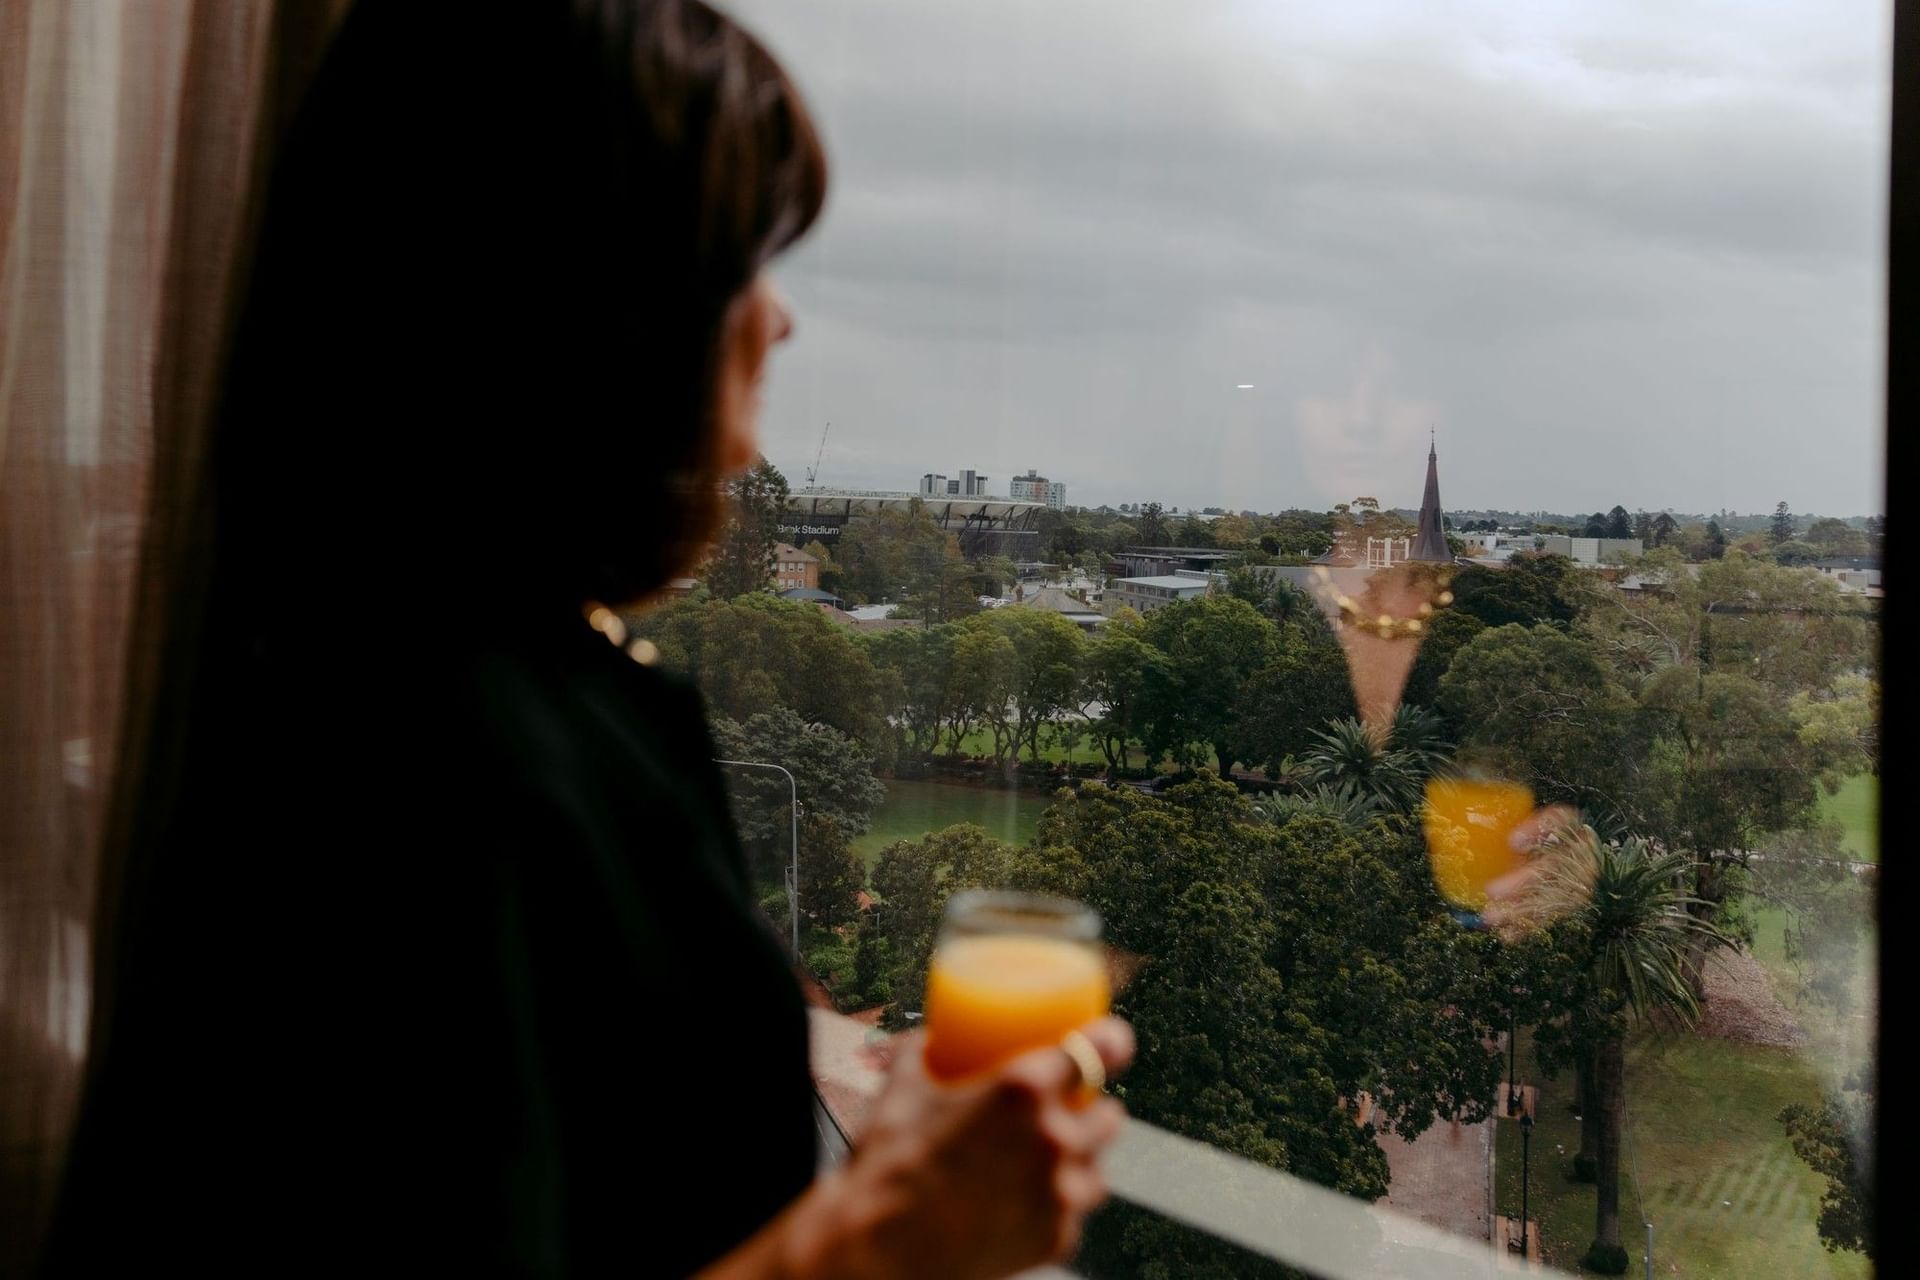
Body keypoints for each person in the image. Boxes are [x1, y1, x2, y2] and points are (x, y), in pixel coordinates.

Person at [43, 3, 1130, 1275]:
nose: (776, 323)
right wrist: (892, 1233)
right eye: (742, 262)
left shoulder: (395, 670)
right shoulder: (434, 769)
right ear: (597, 312)